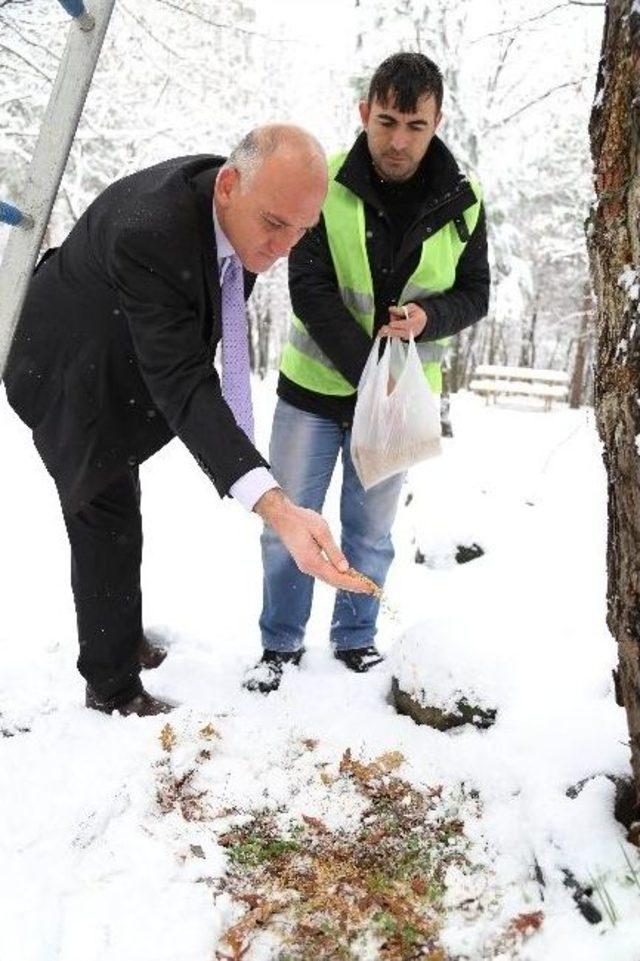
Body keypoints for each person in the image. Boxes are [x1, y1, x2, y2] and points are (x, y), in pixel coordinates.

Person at [3, 125, 367, 717]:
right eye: (276, 225)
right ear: (228, 185)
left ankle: (119, 634)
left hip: (125, 348)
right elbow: (182, 380)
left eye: (302, 231)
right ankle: (112, 685)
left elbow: (193, 327)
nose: (283, 249)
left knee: (120, 508)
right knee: (104, 508)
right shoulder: (153, 232)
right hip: (68, 364)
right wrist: (274, 504)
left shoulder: (239, 210)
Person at [247, 53, 490, 694]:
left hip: (401, 405)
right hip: (313, 394)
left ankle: (356, 638)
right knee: (288, 525)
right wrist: (368, 376)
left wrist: (428, 316)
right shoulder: (324, 181)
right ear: (365, 114)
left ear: (436, 121)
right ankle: (279, 644)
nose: (398, 140)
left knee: (371, 532)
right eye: (386, 121)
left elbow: (476, 294)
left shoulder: (465, 202)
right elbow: (310, 286)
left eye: (415, 124)